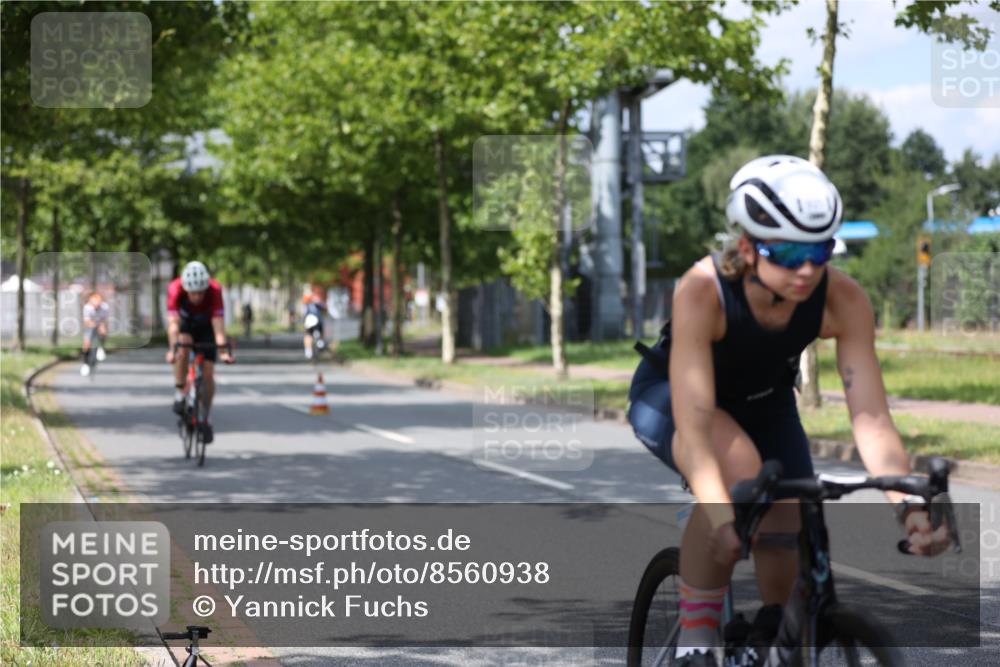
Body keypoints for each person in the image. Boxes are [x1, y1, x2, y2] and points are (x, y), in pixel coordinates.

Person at [627, 155, 951, 666]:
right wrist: (719, 515)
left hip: (764, 402)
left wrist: (908, 506)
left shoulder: (841, 298)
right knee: (741, 474)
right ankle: (697, 640)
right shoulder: (702, 291)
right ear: (749, 246)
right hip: (672, 399)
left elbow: (870, 421)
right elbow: (694, 427)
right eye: (790, 252)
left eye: (820, 251)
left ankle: (773, 643)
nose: (807, 269)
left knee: (789, 516)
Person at [165, 261, 233, 444]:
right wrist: (173, 349)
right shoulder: (174, 289)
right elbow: (173, 325)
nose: (196, 297)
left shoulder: (215, 290)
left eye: (200, 292)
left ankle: (206, 417)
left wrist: (223, 351)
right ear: (186, 289)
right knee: (182, 345)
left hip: (206, 326)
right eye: (192, 293)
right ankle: (180, 392)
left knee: (209, 372)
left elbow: (218, 325)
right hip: (185, 324)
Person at [80, 291, 110, 376]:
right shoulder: (87, 308)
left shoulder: (105, 307)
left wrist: (101, 326)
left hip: (100, 323)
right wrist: (93, 324)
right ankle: (85, 364)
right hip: (90, 324)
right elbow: (86, 322)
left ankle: (101, 347)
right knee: (87, 343)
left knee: (103, 332)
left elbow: (104, 320)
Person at [302, 287, 328, 360]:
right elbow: (324, 308)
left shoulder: (308, 300)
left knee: (308, 335)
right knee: (309, 334)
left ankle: (309, 350)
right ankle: (319, 343)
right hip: (314, 319)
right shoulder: (314, 300)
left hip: (311, 320)